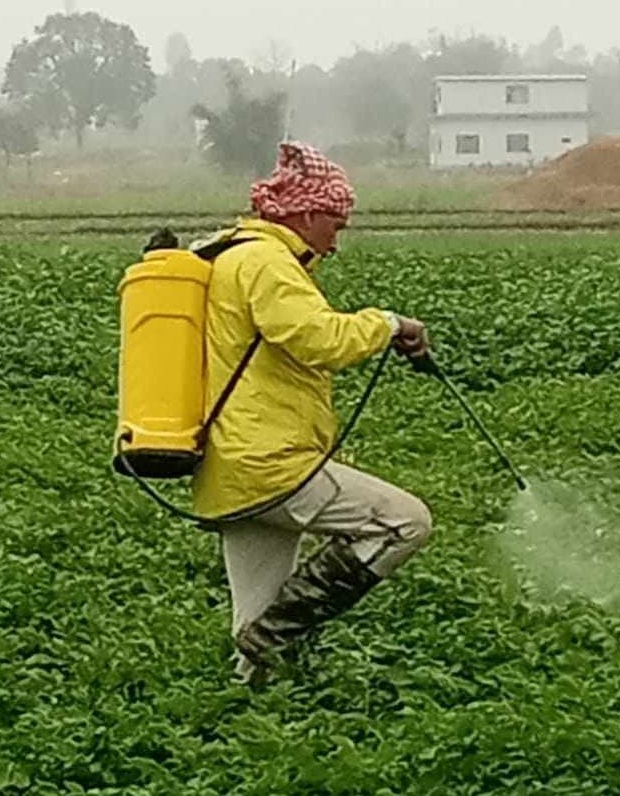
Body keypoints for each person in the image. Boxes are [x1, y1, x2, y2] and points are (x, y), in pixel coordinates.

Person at [190, 141, 434, 684]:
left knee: (254, 640)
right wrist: (388, 324)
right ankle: (276, 636)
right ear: (304, 213)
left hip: (227, 470)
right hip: (270, 463)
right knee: (405, 523)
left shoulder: (231, 255)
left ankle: (240, 718)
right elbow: (318, 339)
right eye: (336, 224)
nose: (337, 240)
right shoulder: (265, 261)